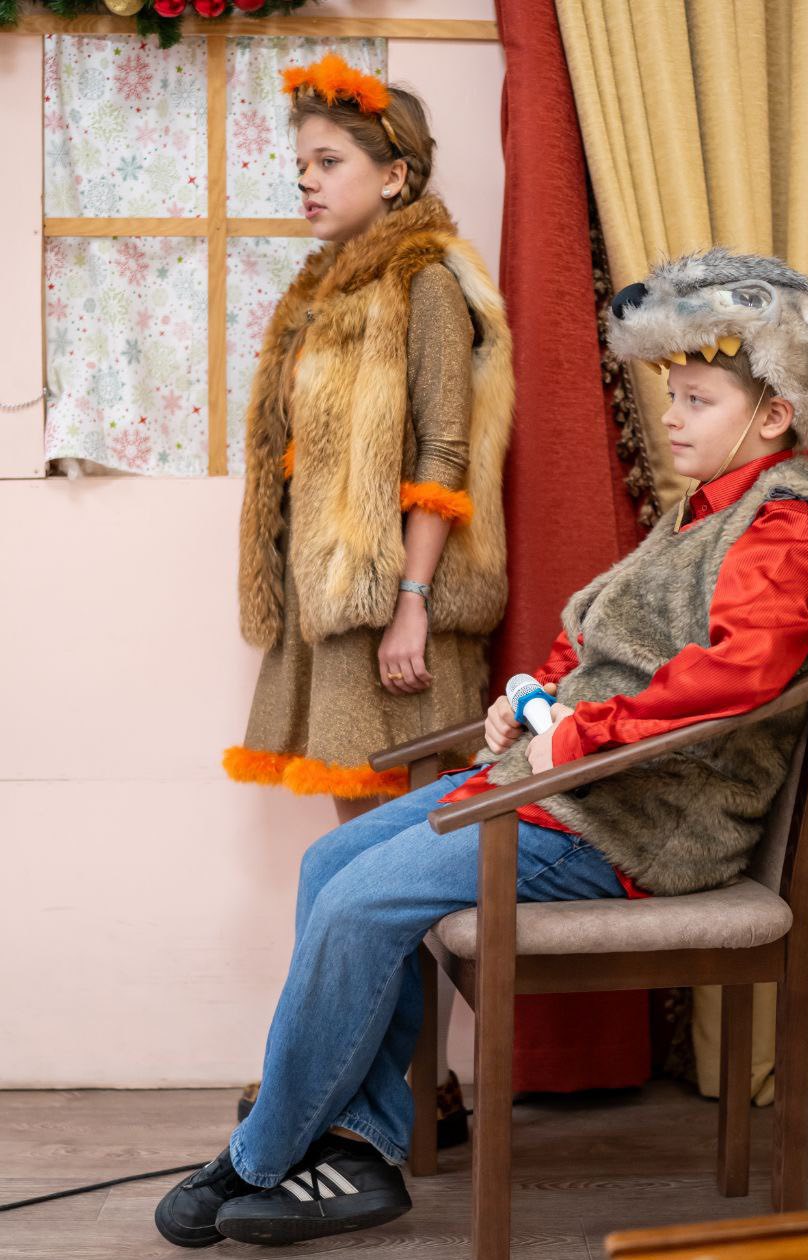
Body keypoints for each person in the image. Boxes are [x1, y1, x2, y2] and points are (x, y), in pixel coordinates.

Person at [155, 248, 808, 1250]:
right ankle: (358, 1144)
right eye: (671, 394)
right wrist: (535, 698)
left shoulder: (786, 529)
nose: (670, 417)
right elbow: (609, 639)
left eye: (697, 401)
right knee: (329, 862)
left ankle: (264, 1154)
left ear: (774, 413)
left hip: (634, 819)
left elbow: (736, 677)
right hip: (569, 779)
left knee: (358, 904)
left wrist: (581, 729)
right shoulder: (703, 510)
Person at [222, 53, 513, 1146]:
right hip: (331, 614)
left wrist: (411, 603)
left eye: (328, 161)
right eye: (300, 163)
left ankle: (400, 1093)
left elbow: (444, 450)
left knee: (398, 871)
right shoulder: (325, 290)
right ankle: (375, 1083)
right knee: (363, 868)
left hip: (395, 616)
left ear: (393, 175)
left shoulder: (426, 281)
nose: (306, 180)